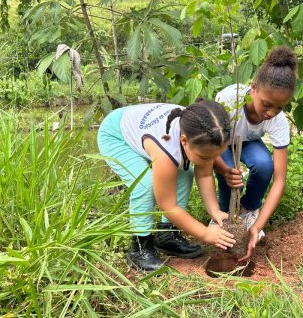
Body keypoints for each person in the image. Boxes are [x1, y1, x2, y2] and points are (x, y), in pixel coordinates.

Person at [98, 99, 236, 272]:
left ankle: (167, 235)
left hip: (145, 130)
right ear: (184, 141)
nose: (209, 162)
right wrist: (205, 234)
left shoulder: (201, 129)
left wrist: (215, 211)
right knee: (145, 184)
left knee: (185, 174)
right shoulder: (166, 149)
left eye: (216, 156)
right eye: (205, 158)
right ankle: (139, 247)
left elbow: (205, 173)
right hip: (116, 135)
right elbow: (167, 205)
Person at [214, 46, 297, 260]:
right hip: (220, 143)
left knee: (264, 165)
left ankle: (248, 211)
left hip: (249, 142)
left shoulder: (277, 120)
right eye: (267, 104)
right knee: (231, 179)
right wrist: (226, 170)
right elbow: (207, 146)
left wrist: (257, 226)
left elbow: (279, 180)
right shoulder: (228, 101)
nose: (271, 113)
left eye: (279, 108)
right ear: (253, 88)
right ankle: (225, 218)